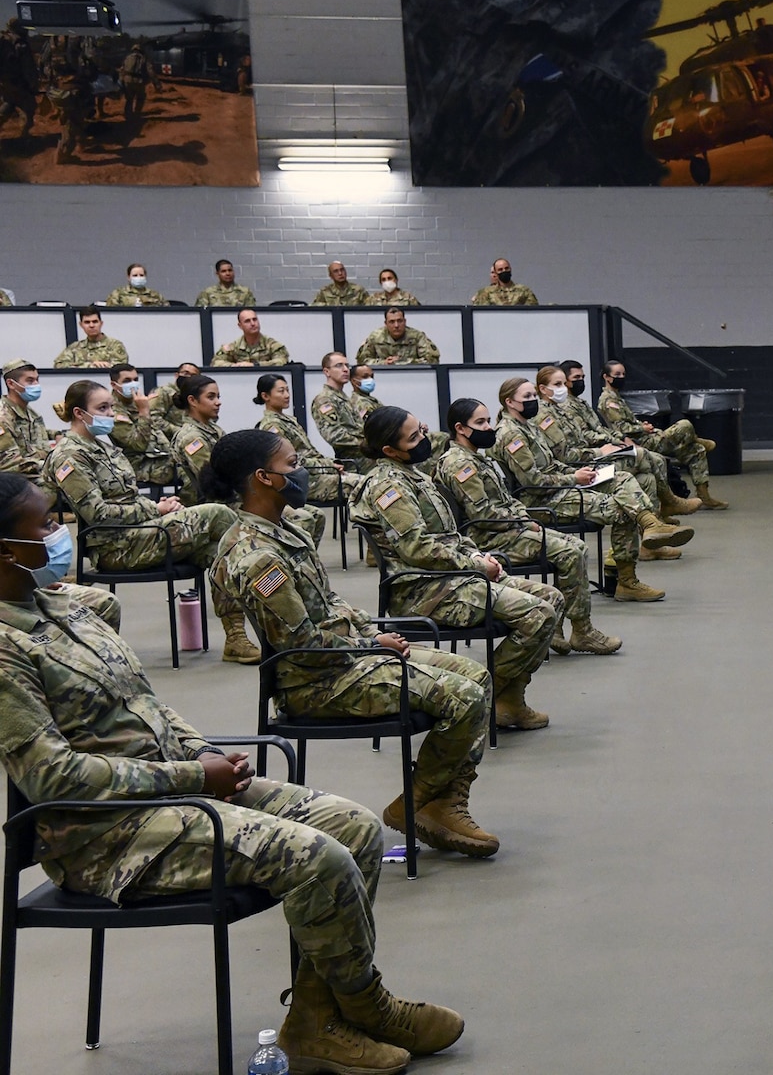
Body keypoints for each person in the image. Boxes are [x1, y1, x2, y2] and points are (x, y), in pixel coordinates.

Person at [0, 472, 465, 1075]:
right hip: (106, 834)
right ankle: (365, 1005)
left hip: (173, 791)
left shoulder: (67, 606)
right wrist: (194, 778)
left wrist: (202, 753)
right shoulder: (8, 647)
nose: (59, 534)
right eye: (44, 525)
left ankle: (318, 1019)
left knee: (352, 826)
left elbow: (148, 703)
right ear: (9, 550)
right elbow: (53, 779)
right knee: (315, 857)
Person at [207, 429, 501, 861]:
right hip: (318, 680)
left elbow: (329, 603)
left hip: (347, 658)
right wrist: (370, 642)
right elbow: (302, 643)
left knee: (476, 674)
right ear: (263, 478)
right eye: (292, 464)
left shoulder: (285, 529)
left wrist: (370, 635)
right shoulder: (257, 555)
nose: (301, 471)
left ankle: (430, 801)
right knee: (466, 696)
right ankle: (424, 802)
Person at [350, 406, 565, 730]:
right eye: (414, 438)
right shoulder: (388, 486)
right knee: (538, 615)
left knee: (553, 598)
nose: (424, 439)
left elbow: (448, 535)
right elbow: (417, 547)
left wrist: (479, 556)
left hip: (452, 575)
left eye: (421, 430)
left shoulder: (414, 473)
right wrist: (474, 564)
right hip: (422, 589)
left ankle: (507, 698)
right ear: (389, 450)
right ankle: (489, 693)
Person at [47, 379, 259, 663]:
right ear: (79, 413)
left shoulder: (104, 447)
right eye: (102, 408)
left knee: (220, 553)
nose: (111, 414)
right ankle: (270, 594)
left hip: (141, 534)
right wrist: (154, 510)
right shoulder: (70, 455)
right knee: (219, 514)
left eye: (110, 407)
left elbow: (129, 498)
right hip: (116, 546)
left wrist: (159, 508)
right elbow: (96, 513)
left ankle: (235, 637)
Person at [435, 398, 621, 655]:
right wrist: (521, 521)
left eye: (488, 420)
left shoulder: (479, 458)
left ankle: (562, 629)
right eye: (480, 422)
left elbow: (508, 498)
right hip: (490, 538)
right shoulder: (460, 463)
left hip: (510, 529)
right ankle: (582, 631)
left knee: (577, 546)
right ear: (461, 428)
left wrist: (523, 516)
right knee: (570, 552)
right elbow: (483, 513)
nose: (489, 427)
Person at [492, 376, 683, 602]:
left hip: (560, 488)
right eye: (527, 397)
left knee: (621, 477)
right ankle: (626, 581)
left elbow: (552, 463)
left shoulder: (527, 425)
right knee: (623, 510)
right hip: (541, 500)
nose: (534, 400)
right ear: (510, 402)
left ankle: (650, 524)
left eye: (533, 395)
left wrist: (582, 472)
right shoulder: (511, 434)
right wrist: (574, 477)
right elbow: (533, 482)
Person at [536, 363, 698, 532]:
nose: (564, 388)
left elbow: (589, 434)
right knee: (643, 455)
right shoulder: (546, 417)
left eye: (563, 383)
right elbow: (565, 455)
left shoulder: (560, 410)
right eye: (558, 385)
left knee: (647, 478)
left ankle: (651, 537)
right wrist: (601, 451)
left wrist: (615, 441)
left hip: (588, 459)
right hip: (578, 469)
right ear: (543, 389)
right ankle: (669, 502)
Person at [172, 373, 325, 548]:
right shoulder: (191, 437)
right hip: (218, 504)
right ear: (192, 400)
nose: (218, 402)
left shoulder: (213, 430)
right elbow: (214, 478)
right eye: (211, 397)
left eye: (218, 397)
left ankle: (301, 565)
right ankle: (280, 560)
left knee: (316, 514)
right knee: (303, 518)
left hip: (238, 494)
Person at [597, 359, 729, 510]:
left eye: (623, 374)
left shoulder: (616, 397)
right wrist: (642, 429)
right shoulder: (608, 400)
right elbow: (622, 429)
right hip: (640, 443)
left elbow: (628, 423)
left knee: (696, 450)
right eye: (617, 374)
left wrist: (642, 425)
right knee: (684, 425)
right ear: (607, 377)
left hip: (647, 437)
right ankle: (696, 438)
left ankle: (703, 495)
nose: (621, 377)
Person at [254, 372, 348, 504]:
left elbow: (309, 451)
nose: (287, 395)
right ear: (265, 396)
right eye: (281, 391)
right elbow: (289, 462)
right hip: (300, 481)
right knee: (358, 484)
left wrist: (331, 463)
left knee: (360, 482)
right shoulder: (272, 425)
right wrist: (328, 465)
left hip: (314, 474)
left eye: (287, 390)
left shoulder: (288, 421)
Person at [106, 363, 177, 486]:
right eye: (127, 380)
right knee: (187, 471)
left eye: (135, 380)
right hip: (139, 464)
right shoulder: (113, 411)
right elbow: (138, 444)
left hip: (159, 455)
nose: (133, 384)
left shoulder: (137, 402)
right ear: (114, 385)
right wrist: (144, 412)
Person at [312, 351, 370, 472]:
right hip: (354, 461)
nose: (345, 370)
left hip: (365, 455)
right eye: (339, 365)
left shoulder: (343, 397)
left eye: (346, 365)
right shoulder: (325, 400)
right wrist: (367, 444)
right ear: (326, 371)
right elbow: (334, 435)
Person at [0, 359, 54, 486]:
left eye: (37, 380)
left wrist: (57, 435)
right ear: (11, 384)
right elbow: (8, 463)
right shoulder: (3, 417)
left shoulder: (30, 413)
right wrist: (51, 466)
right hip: (15, 483)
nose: (36, 384)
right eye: (30, 381)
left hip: (36, 474)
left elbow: (33, 437)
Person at [356, 306, 441, 365]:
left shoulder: (417, 336)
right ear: (386, 323)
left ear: (405, 321)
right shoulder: (375, 337)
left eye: (399, 321)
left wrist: (401, 362)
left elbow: (432, 360)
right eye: (392, 322)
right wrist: (384, 363)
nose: (396, 325)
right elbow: (362, 361)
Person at [213, 308, 291, 366]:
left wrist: (255, 365)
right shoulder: (234, 346)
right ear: (240, 326)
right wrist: (235, 366)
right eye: (247, 321)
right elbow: (216, 363)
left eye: (255, 319)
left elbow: (281, 361)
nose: (253, 323)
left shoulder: (272, 345)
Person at [55, 308, 129, 368]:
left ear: (101, 323)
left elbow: (121, 368)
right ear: (81, 325)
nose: (91, 325)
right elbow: (59, 365)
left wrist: (78, 366)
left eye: (95, 322)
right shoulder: (75, 347)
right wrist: (91, 365)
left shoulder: (115, 345)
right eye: (87, 322)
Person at [149, 361, 199, 430]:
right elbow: (153, 419)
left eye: (193, 375)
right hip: (167, 438)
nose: (189, 377)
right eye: (186, 373)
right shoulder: (164, 392)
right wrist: (178, 432)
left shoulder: (197, 396)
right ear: (177, 375)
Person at [470, 258, 539, 306]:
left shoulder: (524, 291)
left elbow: (532, 311)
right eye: (500, 269)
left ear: (510, 269)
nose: (504, 271)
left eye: (506, 268)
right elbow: (481, 314)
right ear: (496, 273)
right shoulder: (486, 292)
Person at [118, 43, 154, 120]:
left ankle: (128, 115)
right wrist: (156, 83)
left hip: (127, 81)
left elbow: (122, 70)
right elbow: (151, 71)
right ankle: (137, 114)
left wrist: (121, 81)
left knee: (129, 99)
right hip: (139, 82)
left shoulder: (127, 58)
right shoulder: (144, 58)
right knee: (140, 98)